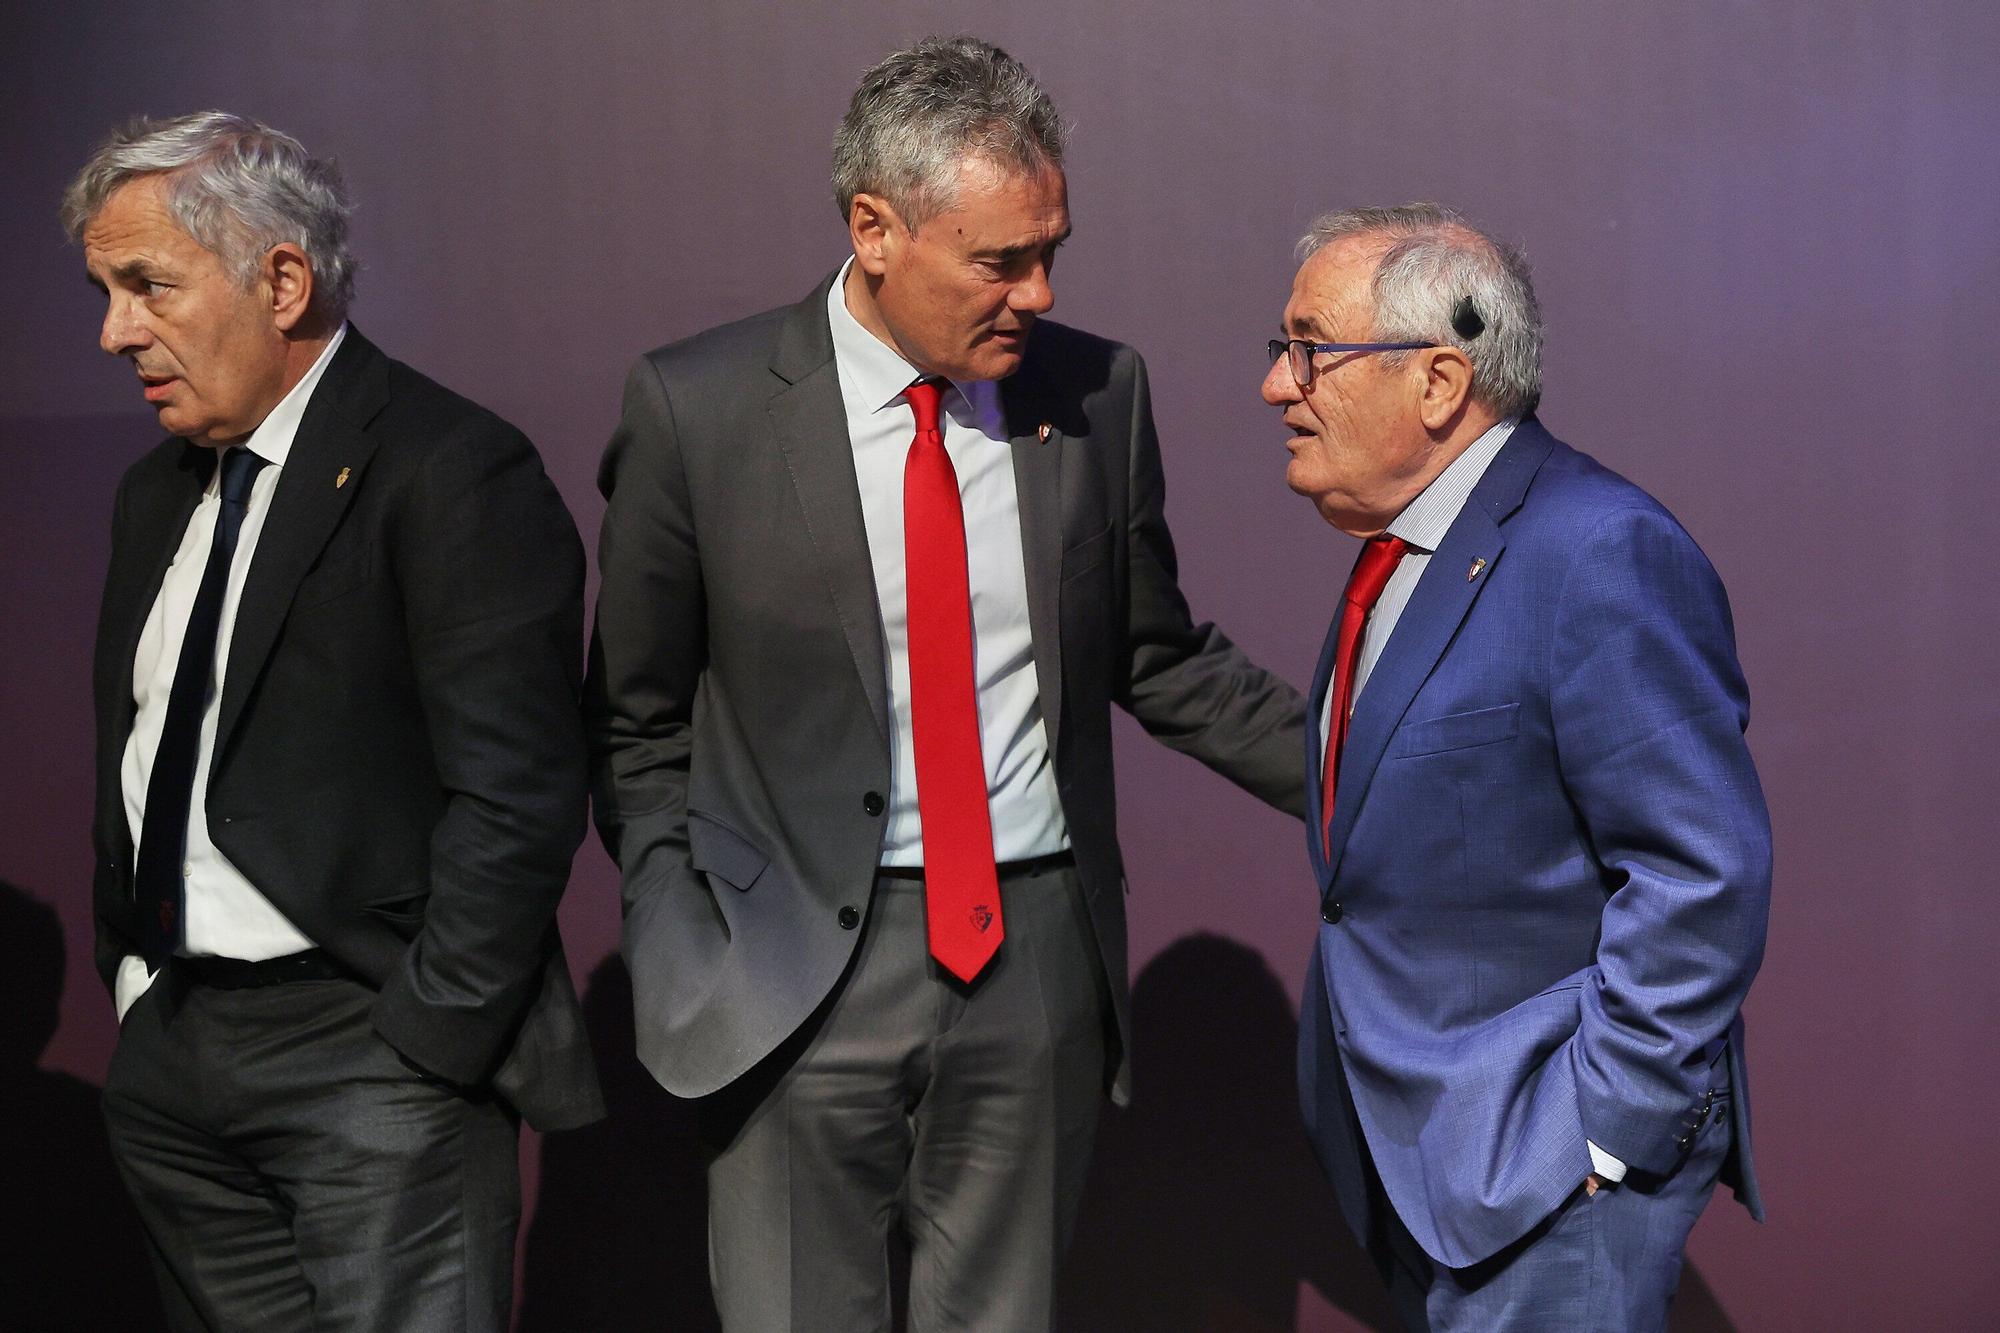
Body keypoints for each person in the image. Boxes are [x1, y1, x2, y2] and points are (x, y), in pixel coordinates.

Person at [586, 36, 1303, 1330]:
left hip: (1028, 962)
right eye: (999, 259)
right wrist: (681, 939)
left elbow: (1157, 654)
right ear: (875, 229)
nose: (1036, 293)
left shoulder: (1096, 393)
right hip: (788, 972)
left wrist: (1380, 779)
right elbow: (633, 717)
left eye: (1052, 252)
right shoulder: (701, 409)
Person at [68, 111, 601, 1330]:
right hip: (174, 1057)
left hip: (371, 1055)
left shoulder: (449, 466)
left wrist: (431, 1036)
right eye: (104, 291)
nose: (115, 333)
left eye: (147, 286)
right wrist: (140, 988)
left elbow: (518, 791)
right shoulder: (155, 490)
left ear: (283, 280)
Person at [1267, 203, 1771, 1330]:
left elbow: (1703, 870)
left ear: (1438, 382)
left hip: (1545, 1170)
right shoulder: (1403, 549)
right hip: (1433, 1163)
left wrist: (1599, 1131)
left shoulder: (1596, 548)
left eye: (1308, 349)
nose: (1275, 387)